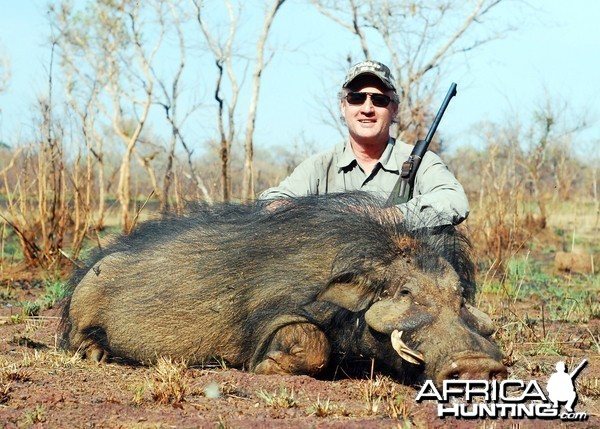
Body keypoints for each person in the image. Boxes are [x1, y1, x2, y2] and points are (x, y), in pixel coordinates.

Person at [259, 60, 469, 228]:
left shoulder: (421, 161)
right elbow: (270, 203)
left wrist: (388, 216)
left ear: (394, 109)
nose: (367, 108)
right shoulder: (321, 165)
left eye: (379, 100)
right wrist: (320, 215)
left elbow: (454, 200)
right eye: (357, 98)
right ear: (343, 106)